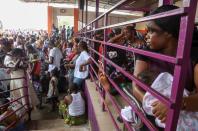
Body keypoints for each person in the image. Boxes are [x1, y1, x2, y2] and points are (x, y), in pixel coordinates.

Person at [132, 5, 198, 130]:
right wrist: (155, 108)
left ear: (168, 33)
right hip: (153, 114)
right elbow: (135, 86)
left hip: (184, 114)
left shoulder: (194, 56)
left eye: (152, 30)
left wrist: (176, 104)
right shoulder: (145, 53)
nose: (147, 35)